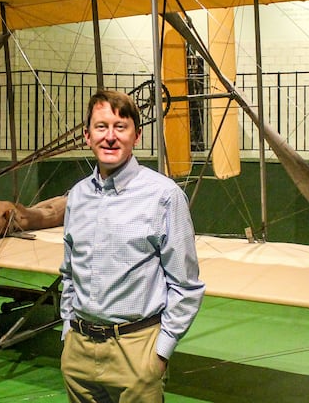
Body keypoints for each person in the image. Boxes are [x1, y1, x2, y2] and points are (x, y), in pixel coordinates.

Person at [59, 89, 205, 402]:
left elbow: (186, 286)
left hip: (137, 350)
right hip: (78, 352)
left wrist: (160, 354)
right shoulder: (78, 196)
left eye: (120, 127)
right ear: (87, 136)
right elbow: (69, 271)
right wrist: (67, 333)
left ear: (136, 135)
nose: (110, 137)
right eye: (101, 127)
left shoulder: (164, 197)